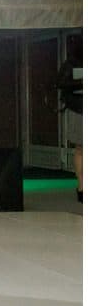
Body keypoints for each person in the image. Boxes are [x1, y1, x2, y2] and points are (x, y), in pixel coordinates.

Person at [56, 43, 82, 202]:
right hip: (79, 108)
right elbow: (61, 83)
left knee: (81, 149)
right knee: (81, 147)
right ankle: (82, 186)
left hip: (78, 107)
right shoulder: (72, 62)